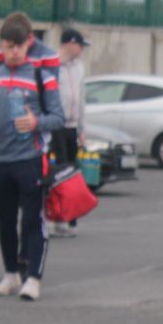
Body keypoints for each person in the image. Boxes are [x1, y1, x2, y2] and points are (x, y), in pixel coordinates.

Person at [0, 12, 65, 301]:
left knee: (32, 220)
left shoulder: (42, 77)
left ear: (28, 45)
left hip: (30, 158)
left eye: (17, 46)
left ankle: (33, 278)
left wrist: (37, 123)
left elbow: (59, 117)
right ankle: (11, 274)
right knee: (6, 219)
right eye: (6, 47)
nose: (11, 52)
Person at [52, 28, 90, 238]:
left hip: (72, 126)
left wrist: (82, 128)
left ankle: (72, 217)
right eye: (80, 45)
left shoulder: (79, 67)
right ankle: (59, 219)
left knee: (73, 172)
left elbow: (81, 98)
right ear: (70, 44)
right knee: (60, 172)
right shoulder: (52, 66)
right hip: (56, 126)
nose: (82, 49)